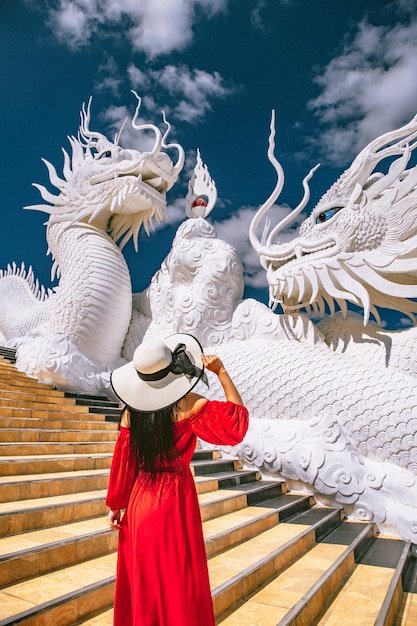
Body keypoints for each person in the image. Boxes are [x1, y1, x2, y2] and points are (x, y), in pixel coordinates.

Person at [106, 332, 249, 626]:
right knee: (179, 580)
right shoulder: (191, 406)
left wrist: (116, 504)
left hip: (139, 501)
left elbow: (123, 464)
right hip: (174, 499)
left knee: (145, 581)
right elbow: (236, 423)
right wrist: (221, 372)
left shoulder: (129, 414)